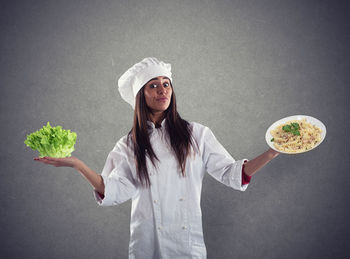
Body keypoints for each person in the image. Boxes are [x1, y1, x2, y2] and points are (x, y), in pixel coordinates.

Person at [34, 57, 280, 259]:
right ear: (140, 95)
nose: (162, 90)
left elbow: (230, 173)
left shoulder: (197, 134)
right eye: (153, 85)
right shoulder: (128, 145)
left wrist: (271, 151)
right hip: (146, 244)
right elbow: (113, 189)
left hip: (187, 243)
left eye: (166, 84)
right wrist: (77, 164)